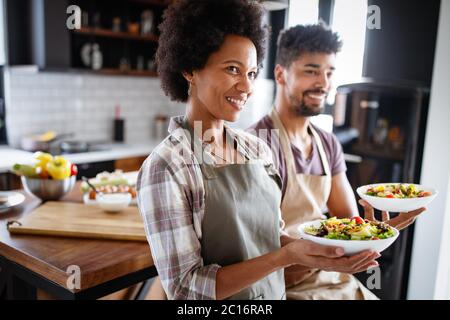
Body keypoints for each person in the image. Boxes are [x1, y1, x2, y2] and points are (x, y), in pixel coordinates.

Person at [136, 0, 379, 300]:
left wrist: (326, 251)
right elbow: (186, 289)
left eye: (251, 73)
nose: (246, 87)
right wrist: (286, 257)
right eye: (232, 69)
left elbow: (270, 236)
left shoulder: (256, 150)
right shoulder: (168, 165)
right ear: (190, 69)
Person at [248, 23, 426, 300]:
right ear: (281, 74)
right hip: (281, 286)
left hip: (333, 277)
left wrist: (377, 231)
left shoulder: (327, 144)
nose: (324, 83)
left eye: (329, 72)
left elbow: (348, 222)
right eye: (311, 71)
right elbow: (254, 247)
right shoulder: (255, 145)